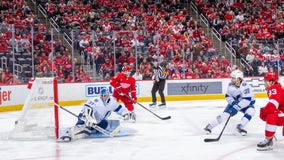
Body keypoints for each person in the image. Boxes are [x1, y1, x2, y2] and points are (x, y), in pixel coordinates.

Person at [59, 87, 132, 141]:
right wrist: (88, 118)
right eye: (102, 96)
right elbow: (86, 109)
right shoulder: (95, 101)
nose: (103, 98)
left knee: (105, 124)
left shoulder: (112, 102)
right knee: (85, 130)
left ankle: (91, 128)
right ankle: (69, 134)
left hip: (98, 120)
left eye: (105, 96)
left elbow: (120, 109)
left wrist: (125, 114)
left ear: (108, 95)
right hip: (85, 117)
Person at [204, 70, 255, 136]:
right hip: (235, 102)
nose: (231, 79)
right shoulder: (230, 85)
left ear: (239, 79)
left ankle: (240, 126)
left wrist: (236, 107)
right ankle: (210, 126)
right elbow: (228, 96)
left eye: (233, 78)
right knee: (225, 115)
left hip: (245, 104)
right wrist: (233, 103)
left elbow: (247, 100)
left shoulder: (246, 86)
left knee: (251, 111)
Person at [257, 72, 284, 151]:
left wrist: (263, 111)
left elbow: (272, 107)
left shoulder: (274, 88)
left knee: (271, 115)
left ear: (271, 82)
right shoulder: (278, 88)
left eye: (266, 81)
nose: (264, 83)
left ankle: (269, 141)